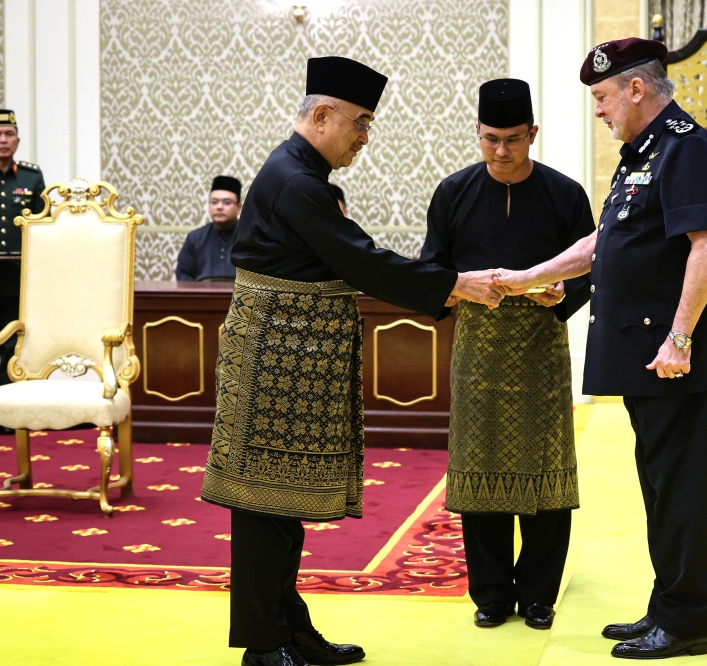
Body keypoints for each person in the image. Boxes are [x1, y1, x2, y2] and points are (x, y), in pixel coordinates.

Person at [199, 56, 504, 666]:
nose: (365, 136)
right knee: (264, 505)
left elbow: (353, 258)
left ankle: (289, 630)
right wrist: (457, 284)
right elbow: (362, 261)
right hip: (272, 358)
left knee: (284, 504)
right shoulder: (296, 181)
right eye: (360, 123)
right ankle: (263, 647)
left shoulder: (300, 175)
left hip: (288, 354)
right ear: (322, 114)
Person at [495, 38, 707, 659]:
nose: (598, 109)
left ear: (635, 88)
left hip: (676, 357)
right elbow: (603, 242)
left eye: (601, 96)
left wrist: (680, 338)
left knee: (685, 491)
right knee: (661, 488)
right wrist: (529, 277)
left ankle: (685, 625)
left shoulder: (687, 148)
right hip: (647, 356)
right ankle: (666, 607)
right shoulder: (642, 154)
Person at [419, 78, 595, 631]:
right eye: (491, 138)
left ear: (532, 134)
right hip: (477, 350)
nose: (501, 150)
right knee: (479, 468)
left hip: (541, 347)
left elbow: (593, 268)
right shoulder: (453, 192)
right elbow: (431, 270)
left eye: (513, 139)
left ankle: (539, 593)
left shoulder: (565, 195)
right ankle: (491, 595)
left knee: (546, 472)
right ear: (477, 132)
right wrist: (461, 286)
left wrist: (558, 292)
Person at [0, 109, 44, 436]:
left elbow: (43, 226)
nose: (3, 140)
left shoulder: (31, 178)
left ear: (17, 139)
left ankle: (5, 411)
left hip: (19, 278)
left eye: (8, 134)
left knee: (13, 347)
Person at [175, 175, 243, 282]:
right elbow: (183, 275)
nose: (219, 207)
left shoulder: (250, 238)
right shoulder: (195, 237)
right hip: (200, 297)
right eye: (214, 202)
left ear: (239, 208)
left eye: (227, 202)